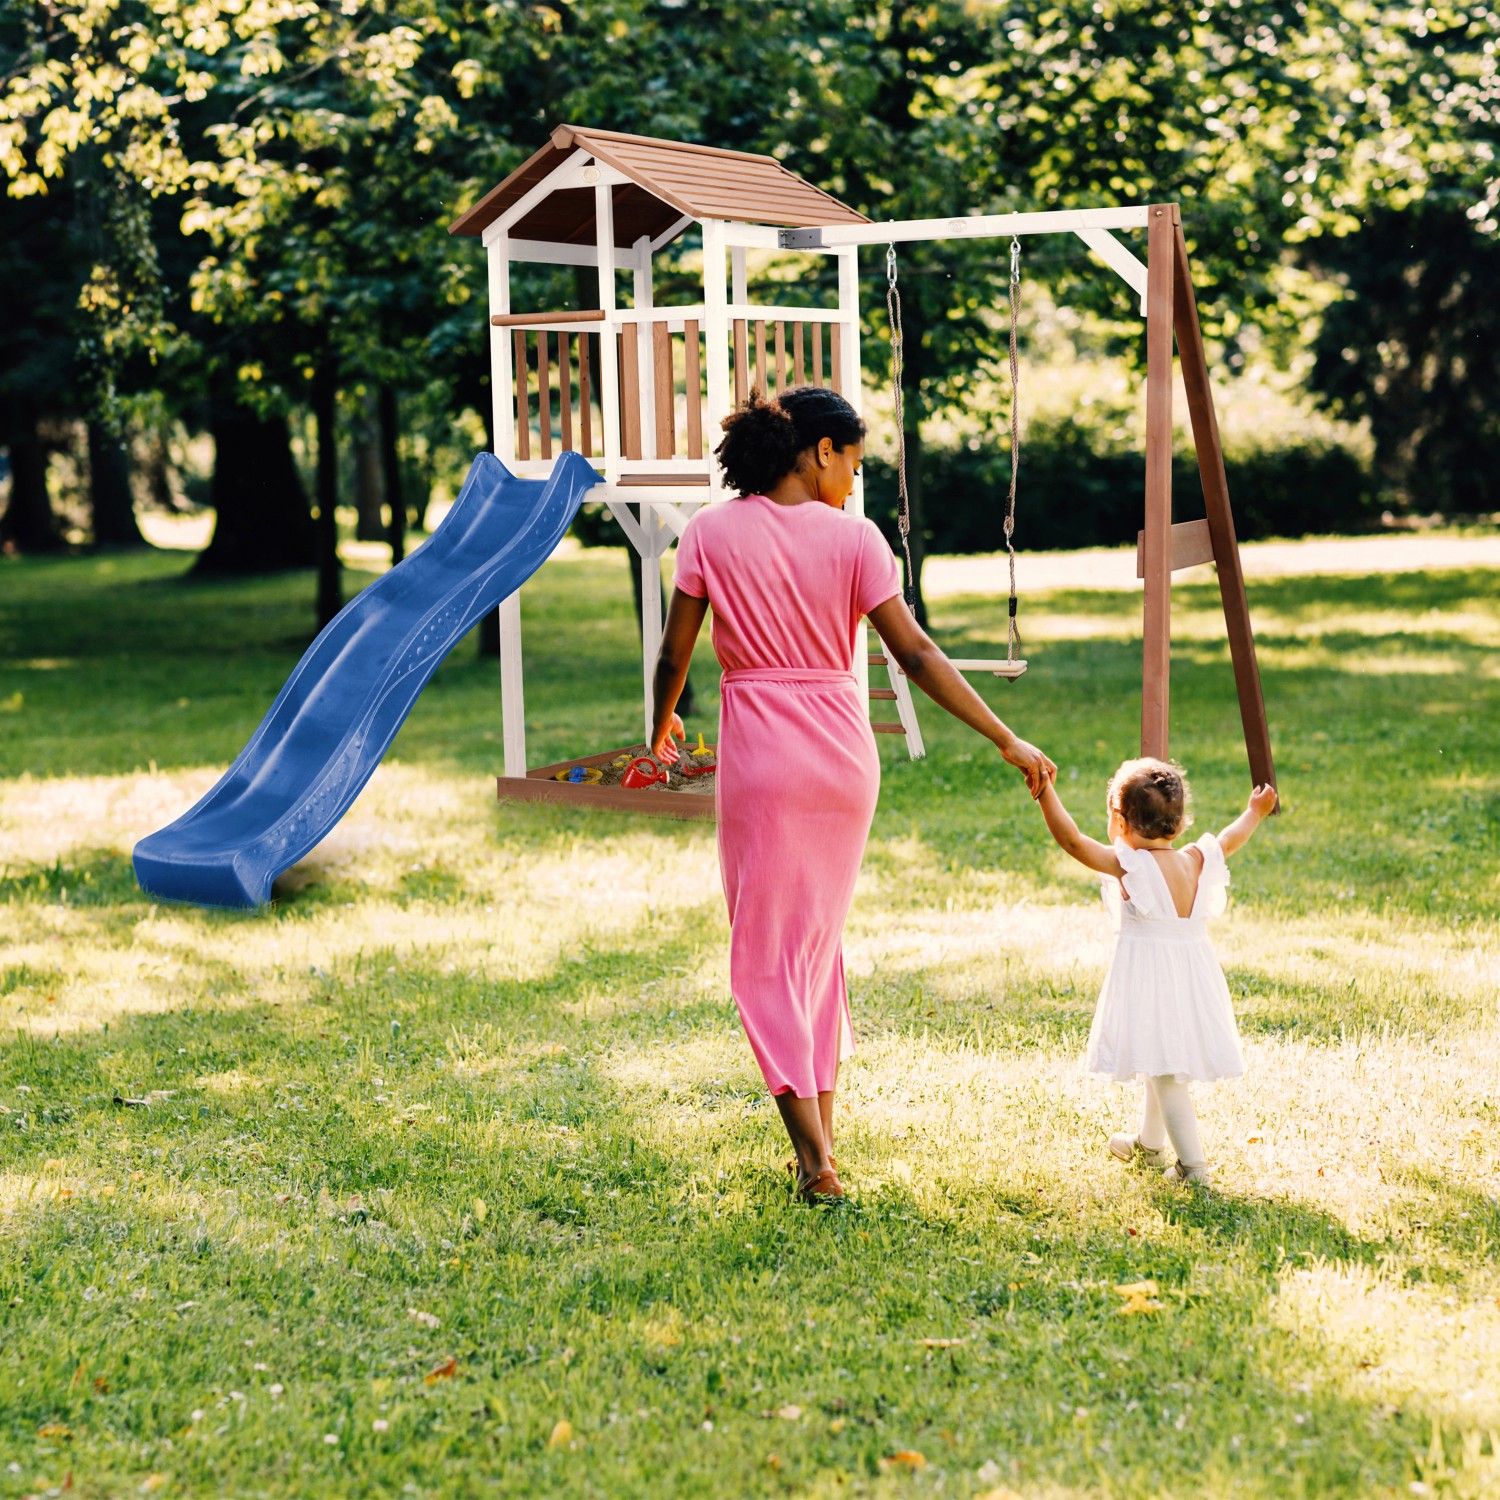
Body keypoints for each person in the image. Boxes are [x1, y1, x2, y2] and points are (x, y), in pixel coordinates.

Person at [649, 387, 1055, 1203]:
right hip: (842, 758)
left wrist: (657, 728)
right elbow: (917, 655)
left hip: (762, 756)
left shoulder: (709, 533)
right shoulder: (857, 540)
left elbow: (674, 655)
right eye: (854, 463)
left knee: (765, 957)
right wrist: (1004, 736)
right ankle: (822, 1145)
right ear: (820, 450)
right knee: (813, 950)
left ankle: (814, 1162)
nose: (854, 482)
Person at [1034, 757, 1279, 1184]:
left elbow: (1072, 841)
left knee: (1166, 1074)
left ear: (1120, 821)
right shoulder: (1196, 859)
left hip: (1153, 980)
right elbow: (1229, 838)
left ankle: (1193, 1169)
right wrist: (1254, 812)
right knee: (1157, 1056)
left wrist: (1044, 792)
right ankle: (1149, 1145)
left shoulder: (1131, 866)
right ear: (1180, 823)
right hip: (1191, 978)